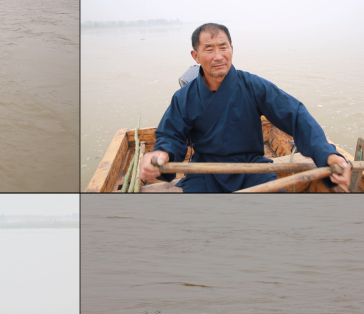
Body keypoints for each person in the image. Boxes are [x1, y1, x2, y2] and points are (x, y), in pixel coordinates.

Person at [139, 23, 351, 192]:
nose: (218, 56)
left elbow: (294, 115)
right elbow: (171, 135)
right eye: (209, 49)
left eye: (223, 47)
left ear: (232, 49)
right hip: (205, 170)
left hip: (251, 167)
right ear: (195, 56)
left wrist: (328, 154)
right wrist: (161, 155)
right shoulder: (183, 97)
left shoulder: (253, 86)